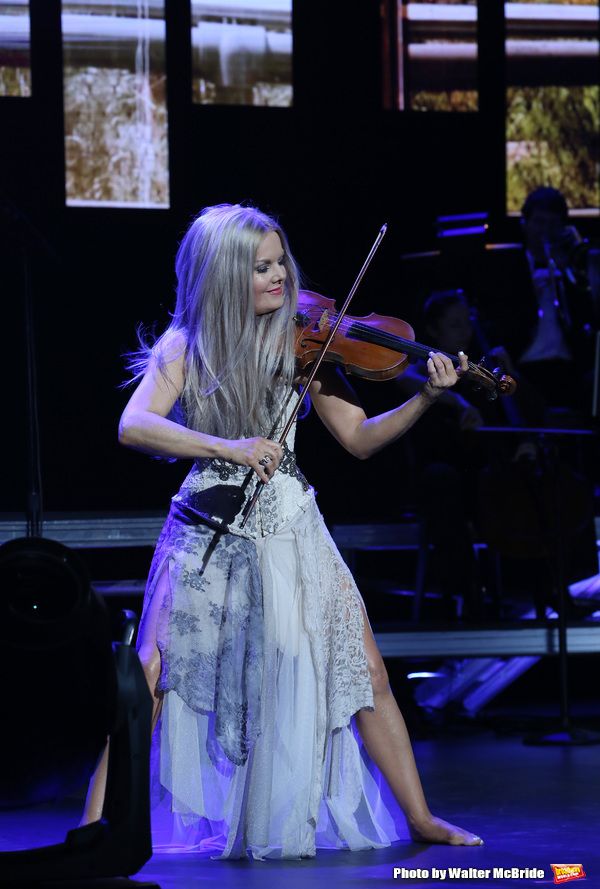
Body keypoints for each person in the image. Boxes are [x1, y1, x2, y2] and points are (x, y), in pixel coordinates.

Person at [81, 204, 482, 859]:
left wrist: (424, 398)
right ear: (221, 276)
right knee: (152, 673)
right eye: (261, 266)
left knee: (369, 673)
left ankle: (422, 816)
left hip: (293, 525)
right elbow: (134, 424)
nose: (278, 276)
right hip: (208, 524)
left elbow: (357, 437)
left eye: (280, 262)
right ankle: (94, 822)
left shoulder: (306, 343)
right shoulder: (186, 344)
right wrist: (228, 445)